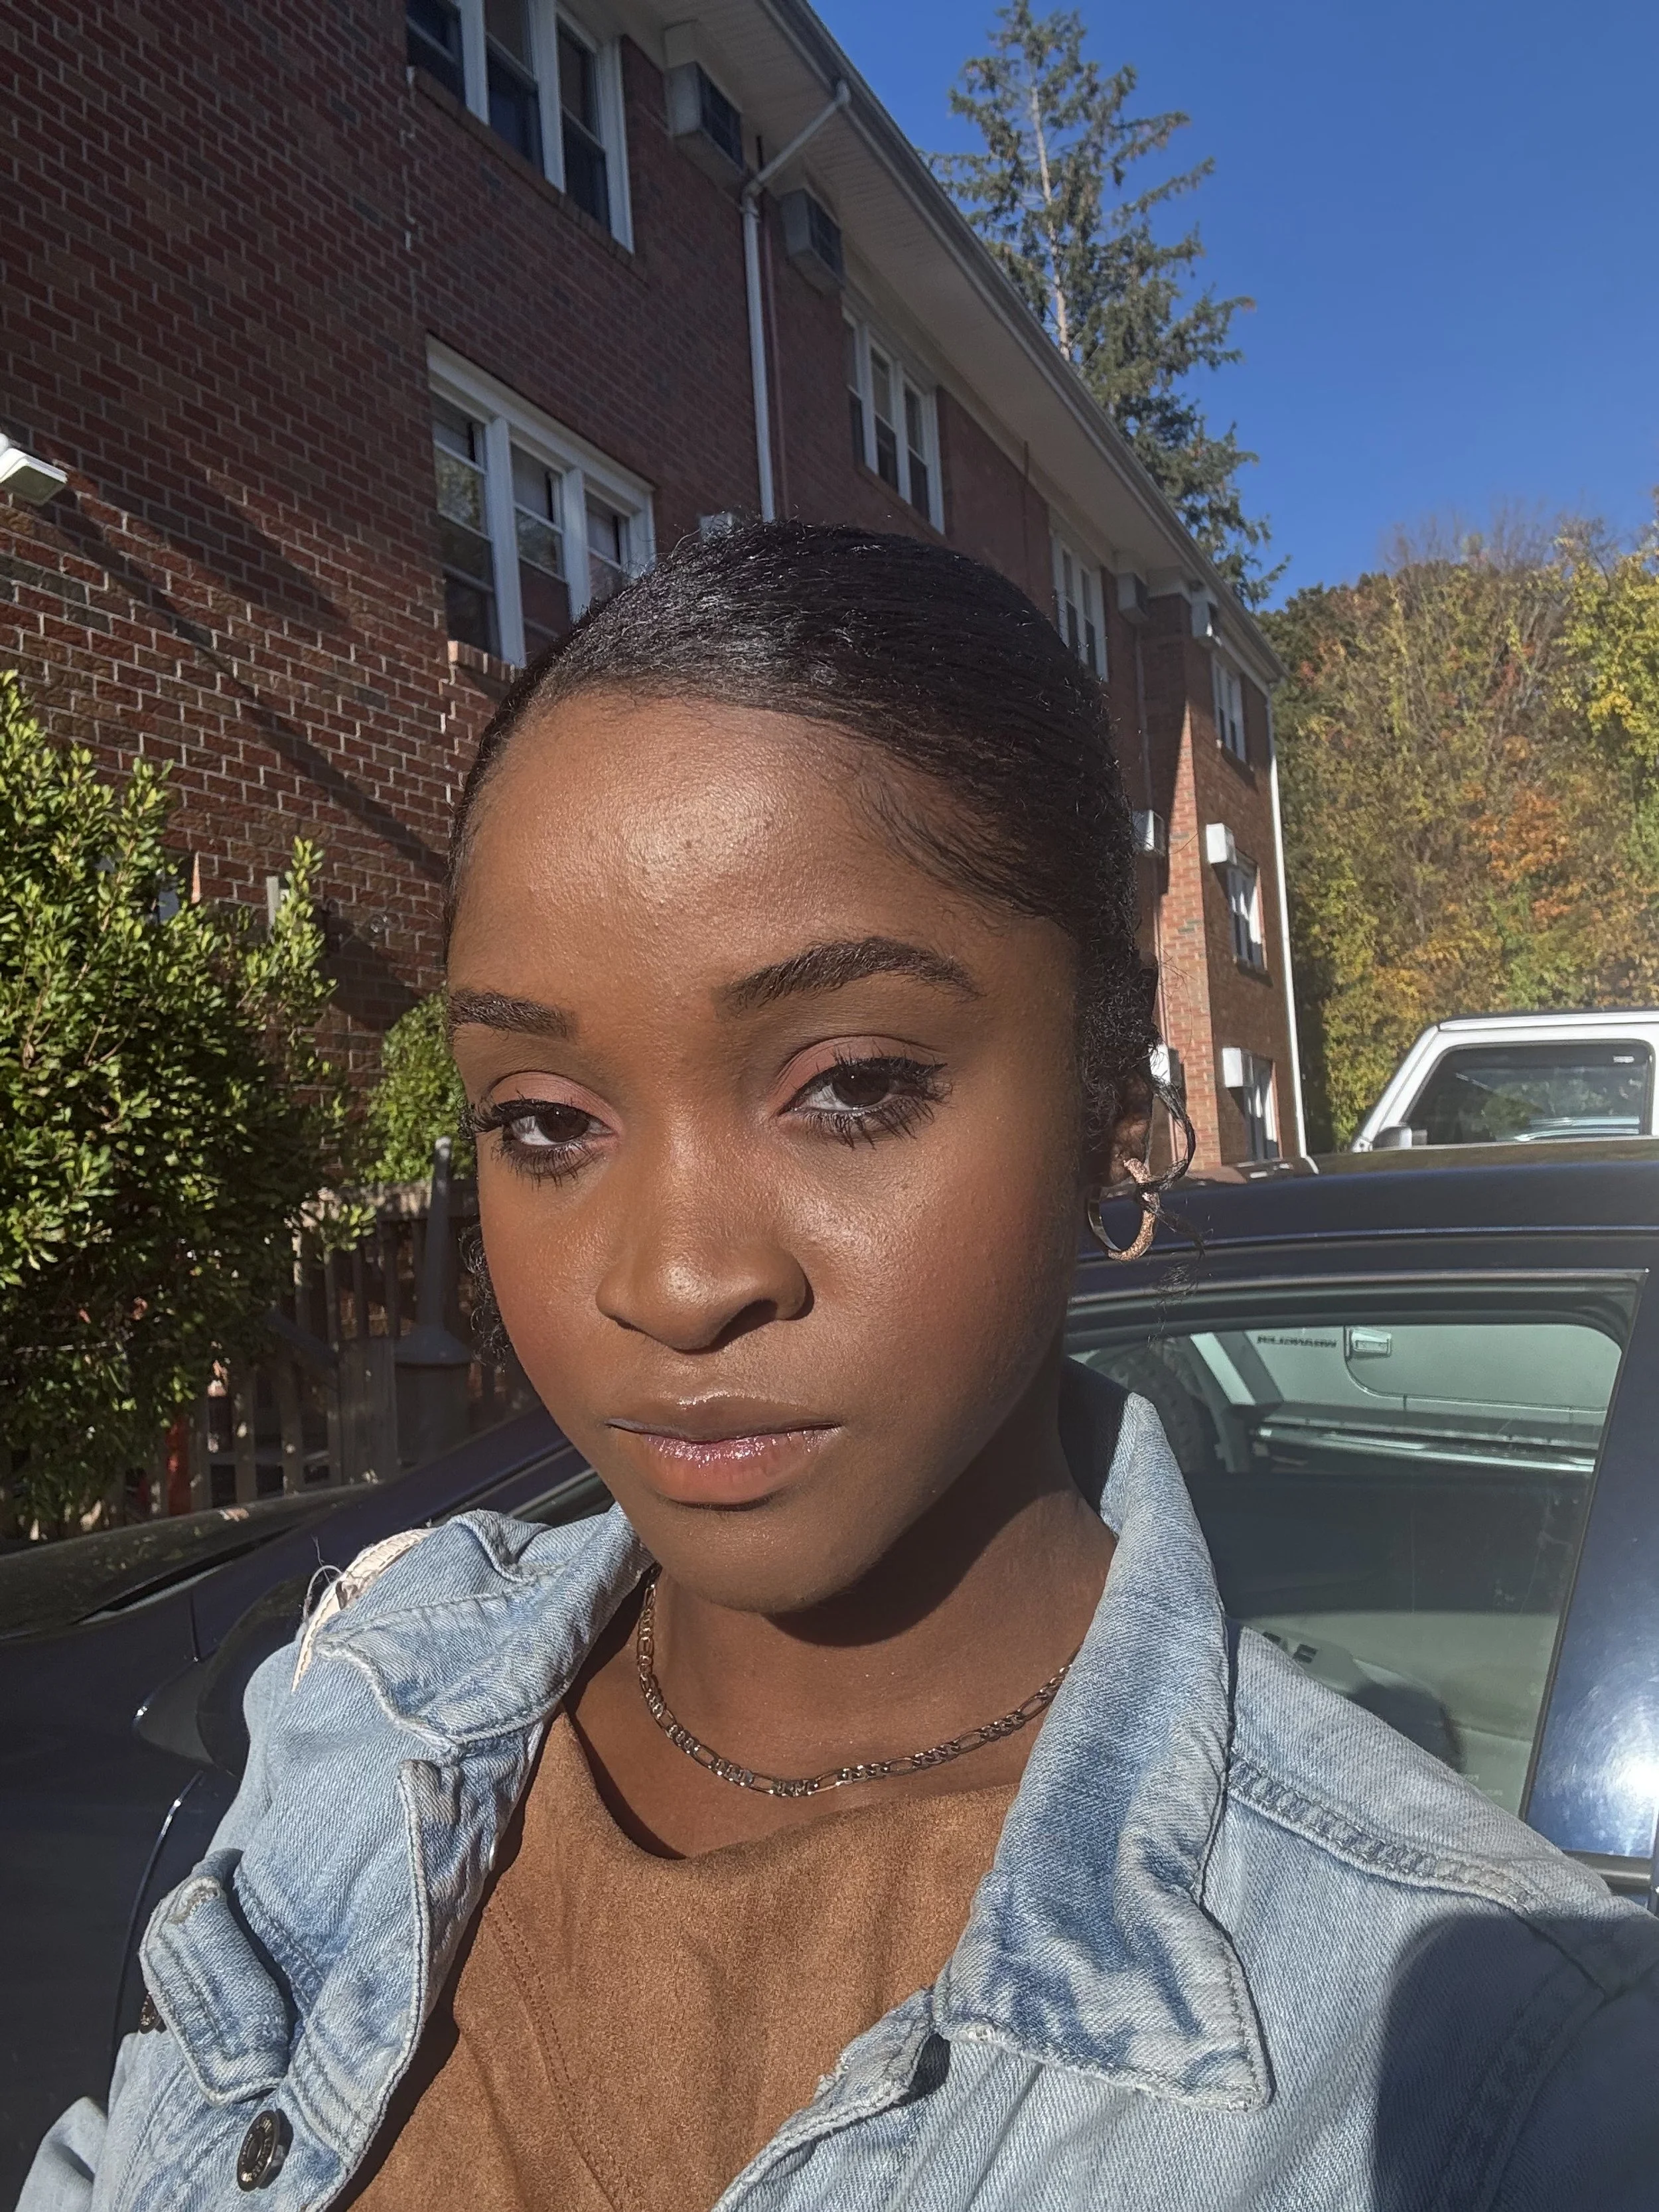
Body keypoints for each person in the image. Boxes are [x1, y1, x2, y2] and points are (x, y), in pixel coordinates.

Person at [23, 524, 1659, 2212]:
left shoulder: (1494, 2070)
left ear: (1111, 1109)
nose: (674, 1282)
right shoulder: (370, 1702)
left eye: (852, 1085)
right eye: (545, 1121)